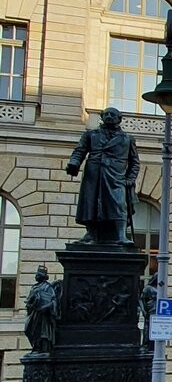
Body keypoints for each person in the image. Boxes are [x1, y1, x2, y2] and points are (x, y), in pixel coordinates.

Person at [65, 106, 141, 244]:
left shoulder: (128, 139)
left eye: (112, 114)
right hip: (94, 175)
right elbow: (79, 151)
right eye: (106, 114)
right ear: (102, 117)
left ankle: (121, 236)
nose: (109, 116)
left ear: (119, 119)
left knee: (119, 204)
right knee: (91, 204)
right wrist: (74, 163)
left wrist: (130, 178)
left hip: (116, 176)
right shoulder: (90, 135)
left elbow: (134, 162)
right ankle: (91, 235)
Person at [23, 266, 59, 353]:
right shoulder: (34, 287)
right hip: (34, 313)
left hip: (44, 316)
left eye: (37, 275)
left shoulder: (48, 287)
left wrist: (46, 307)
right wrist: (30, 304)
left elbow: (54, 301)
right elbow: (29, 301)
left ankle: (42, 348)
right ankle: (36, 347)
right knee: (29, 329)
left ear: (42, 276)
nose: (36, 276)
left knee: (42, 333)